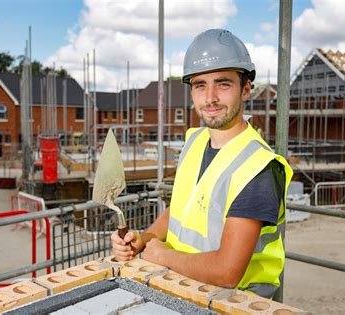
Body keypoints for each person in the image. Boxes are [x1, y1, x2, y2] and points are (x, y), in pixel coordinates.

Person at [111, 29, 293, 299]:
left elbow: (227, 272)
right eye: (200, 85)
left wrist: (163, 255)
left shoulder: (258, 168)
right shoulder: (195, 142)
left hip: (232, 304)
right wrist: (145, 239)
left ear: (245, 90)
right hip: (185, 291)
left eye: (223, 84)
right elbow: (182, 209)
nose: (210, 98)